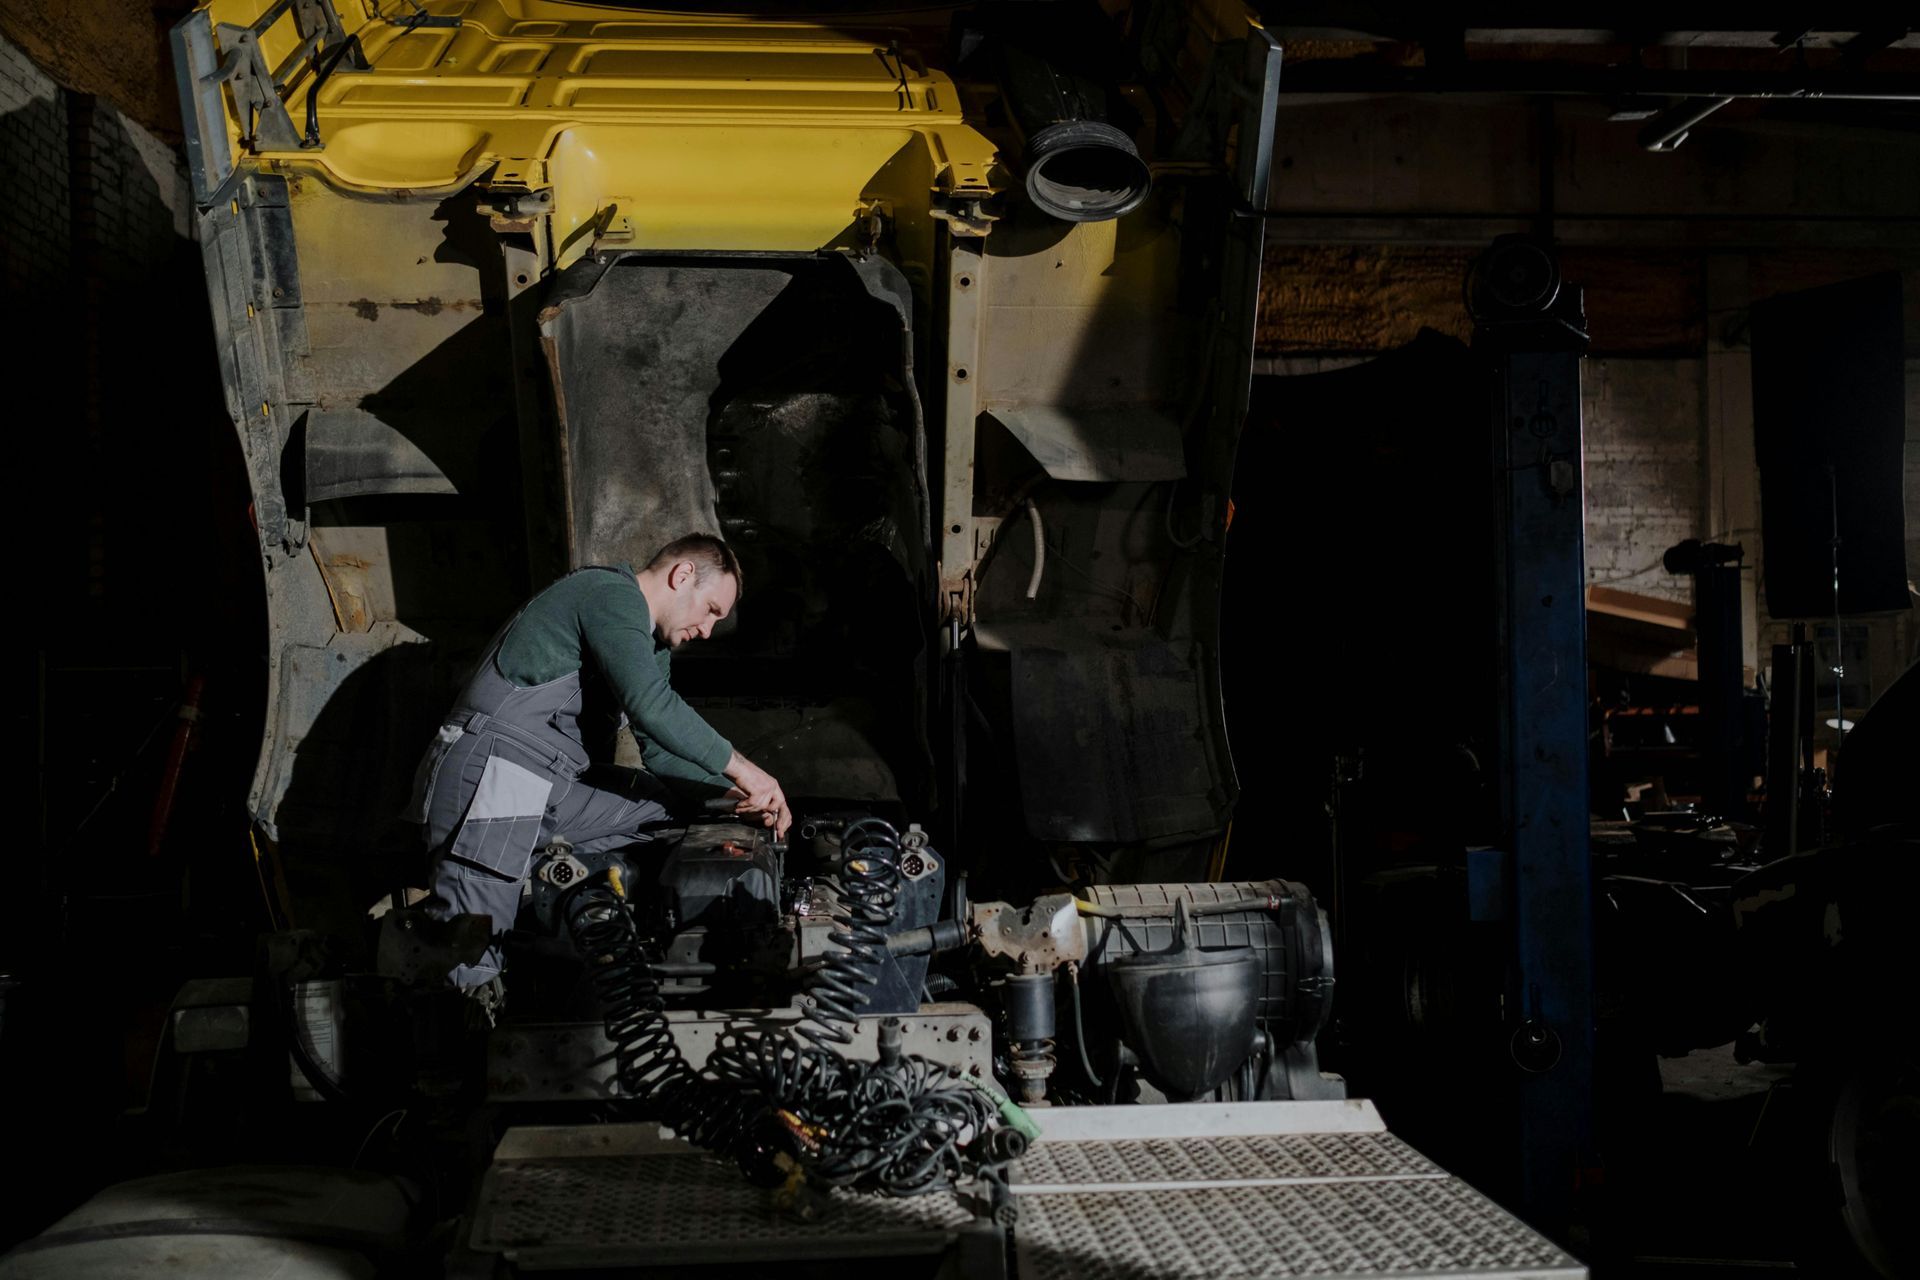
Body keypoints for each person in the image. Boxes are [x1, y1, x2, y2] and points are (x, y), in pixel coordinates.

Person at [407, 533, 789, 988]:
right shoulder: (609, 594)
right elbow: (652, 705)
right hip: (498, 772)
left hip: (552, 784)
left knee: (674, 811)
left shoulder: (649, 645)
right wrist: (749, 771)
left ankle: (574, 908)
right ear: (682, 575)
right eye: (711, 610)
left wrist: (733, 797)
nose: (708, 631)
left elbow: (660, 747)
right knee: (470, 968)